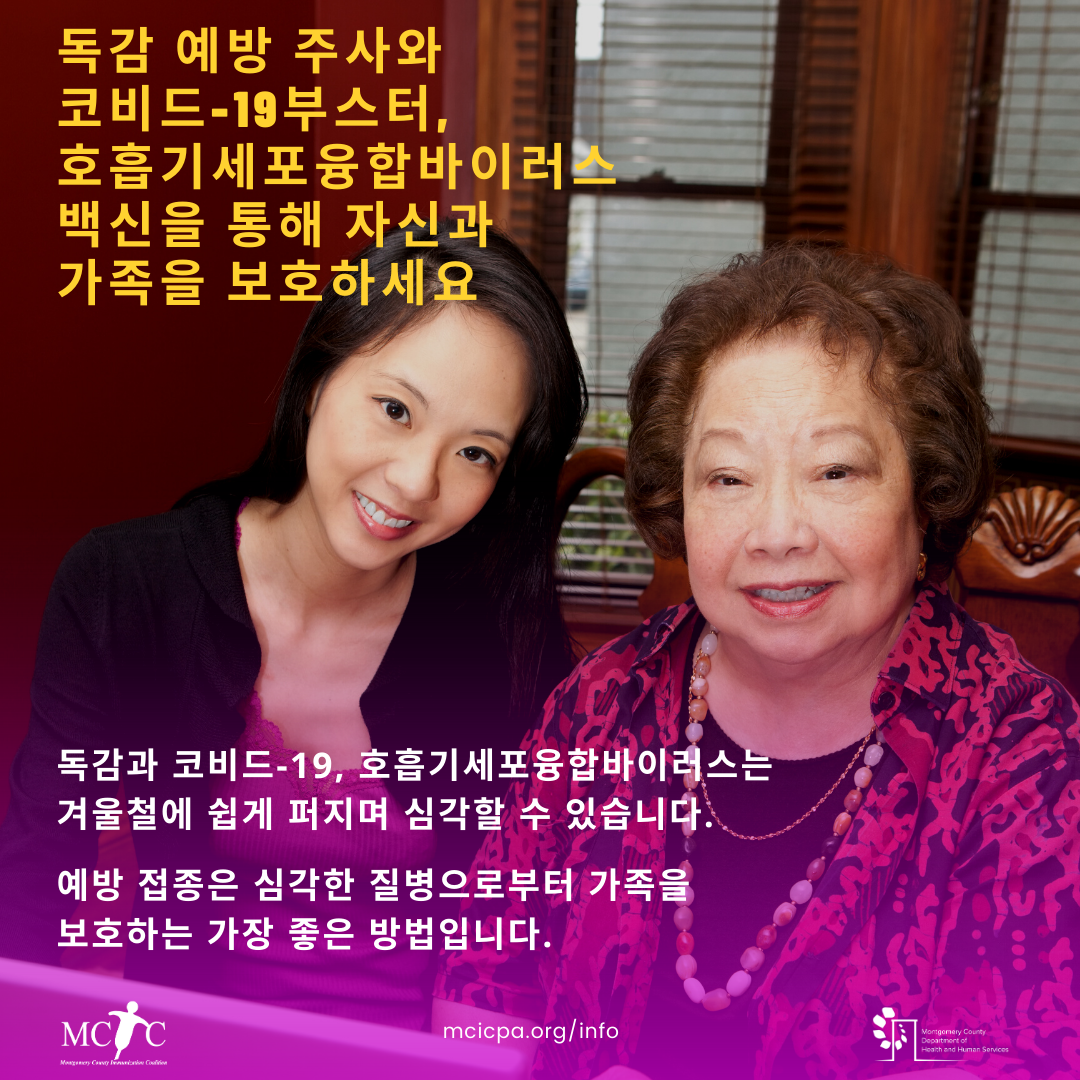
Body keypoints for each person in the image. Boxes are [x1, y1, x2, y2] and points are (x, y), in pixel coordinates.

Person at [433, 244, 1080, 1079]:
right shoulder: (601, 706)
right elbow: (483, 991)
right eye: (729, 478)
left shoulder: (1021, 755)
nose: (778, 533)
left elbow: (1003, 1056)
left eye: (835, 470)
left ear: (925, 497)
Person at [0, 223, 587, 1031]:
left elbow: (514, 928)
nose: (417, 479)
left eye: (476, 453)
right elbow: (35, 879)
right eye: (394, 409)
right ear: (317, 375)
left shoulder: (493, 634)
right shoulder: (126, 586)